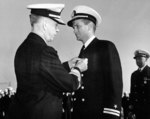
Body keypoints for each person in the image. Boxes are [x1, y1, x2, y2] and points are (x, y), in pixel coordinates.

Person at [5, 3, 88, 119]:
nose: (57, 30)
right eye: (55, 25)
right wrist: (78, 68)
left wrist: (68, 65)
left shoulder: (23, 48)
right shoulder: (45, 51)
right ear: (44, 25)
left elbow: (41, 74)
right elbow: (71, 84)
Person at [63, 5, 123, 119]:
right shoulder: (83, 51)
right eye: (73, 27)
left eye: (77, 26)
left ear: (89, 26)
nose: (74, 30)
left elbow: (114, 84)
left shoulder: (106, 47)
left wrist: (111, 114)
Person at [129, 49, 150, 119]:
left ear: (146, 59)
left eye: (140, 58)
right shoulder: (134, 75)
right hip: (137, 112)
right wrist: (131, 110)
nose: (137, 60)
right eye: (136, 59)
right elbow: (132, 93)